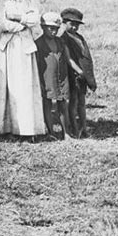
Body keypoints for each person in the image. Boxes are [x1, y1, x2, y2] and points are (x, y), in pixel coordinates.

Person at [0, 0, 45, 137]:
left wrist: (19, 17)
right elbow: (3, 23)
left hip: (25, 47)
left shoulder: (28, 2)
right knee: (7, 84)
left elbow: (35, 19)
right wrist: (22, 24)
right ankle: (5, 127)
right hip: (7, 47)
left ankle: (27, 128)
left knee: (24, 83)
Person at [35, 12, 83, 140]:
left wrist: (80, 72)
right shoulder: (38, 44)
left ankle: (65, 133)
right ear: (42, 27)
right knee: (47, 103)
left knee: (63, 104)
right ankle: (51, 132)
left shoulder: (60, 42)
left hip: (62, 77)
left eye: (56, 28)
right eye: (50, 28)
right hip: (46, 78)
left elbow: (69, 60)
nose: (53, 31)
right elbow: (35, 64)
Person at [59, 8, 97, 138]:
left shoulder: (79, 37)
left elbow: (86, 57)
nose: (74, 27)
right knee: (73, 101)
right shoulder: (64, 38)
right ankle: (74, 128)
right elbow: (69, 58)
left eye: (77, 24)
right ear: (64, 23)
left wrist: (86, 74)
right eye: (71, 24)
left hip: (82, 75)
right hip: (73, 74)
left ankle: (84, 128)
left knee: (82, 102)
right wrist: (79, 71)